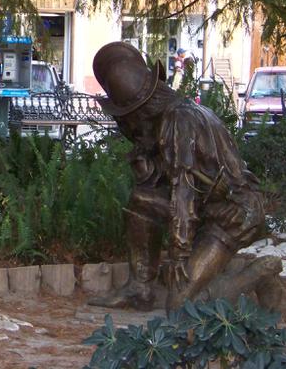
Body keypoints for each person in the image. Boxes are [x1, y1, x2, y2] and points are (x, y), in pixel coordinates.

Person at [91, 42, 265, 312]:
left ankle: (260, 274)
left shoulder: (180, 122)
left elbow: (183, 191)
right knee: (141, 200)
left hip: (234, 217)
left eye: (124, 117)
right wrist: (146, 165)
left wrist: (179, 256)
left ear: (139, 111)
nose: (123, 124)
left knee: (179, 305)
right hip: (210, 208)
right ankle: (140, 289)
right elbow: (173, 184)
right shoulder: (171, 116)